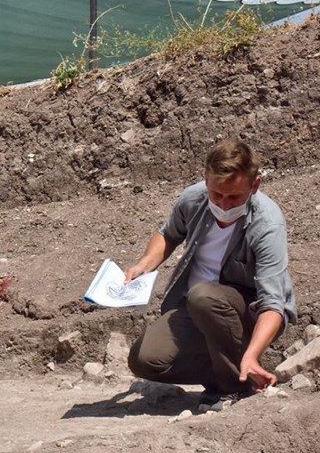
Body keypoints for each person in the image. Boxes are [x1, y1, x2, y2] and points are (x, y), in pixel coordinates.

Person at [125, 139, 296, 408]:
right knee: (145, 360)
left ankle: (235, 387)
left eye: (234, 197)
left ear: (255, 186)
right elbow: (168, 235)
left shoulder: (267, 224)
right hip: (196, 309)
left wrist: (252, 352)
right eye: (217, 195)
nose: (225, 205)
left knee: (204, 296)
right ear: (206, 180)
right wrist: (144, 264)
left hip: (246, 314)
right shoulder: (192, 199)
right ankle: (235, 371)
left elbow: (273, 304)